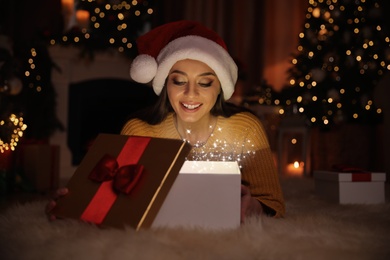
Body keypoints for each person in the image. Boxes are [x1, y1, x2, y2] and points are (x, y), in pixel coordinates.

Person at [46, 20, 285, 223]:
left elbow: (273, 203)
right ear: (164, 85)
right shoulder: (139, 129)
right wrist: (72, 203)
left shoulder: (245, 128)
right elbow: (110, 196)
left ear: (220, 87)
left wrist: (256, 207)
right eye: (179, 81)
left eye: (204, 83)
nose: (191, 94)